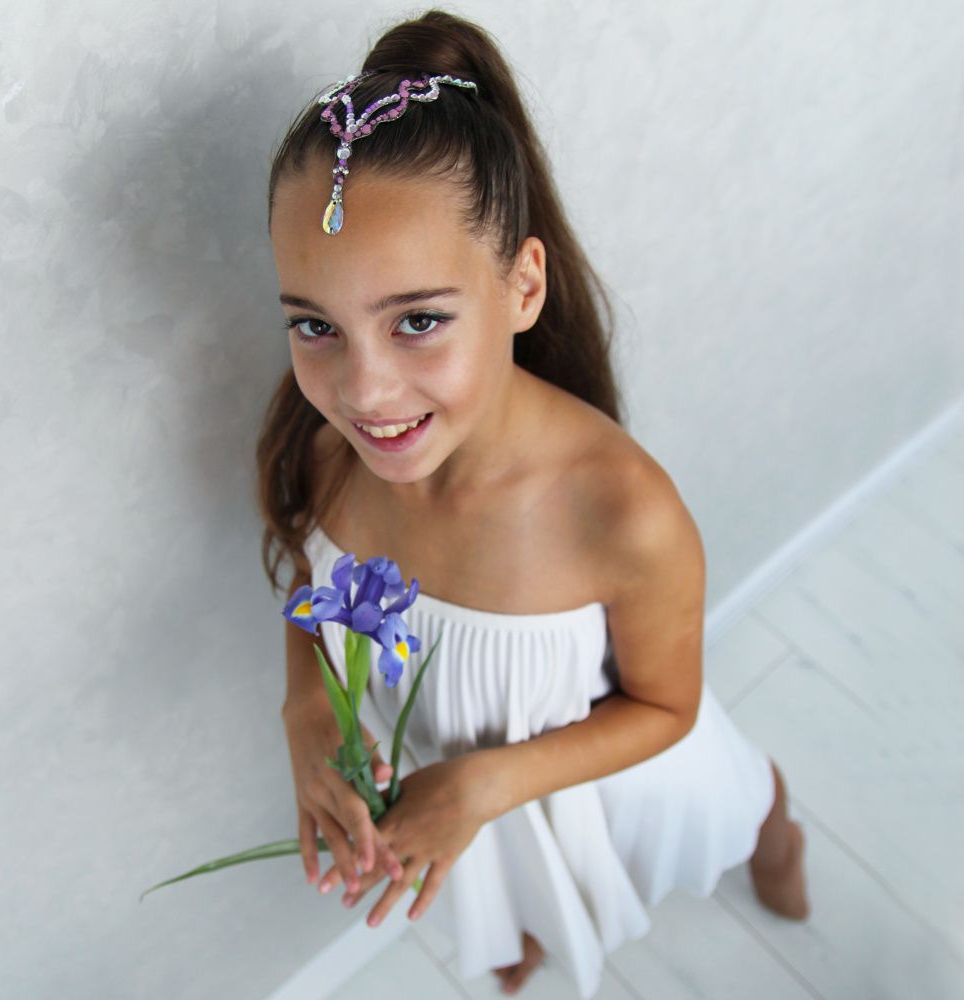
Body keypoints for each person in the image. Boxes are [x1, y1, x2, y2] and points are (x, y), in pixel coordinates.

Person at [258, 9, 809, 998]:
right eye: (316, 326)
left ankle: (778, 833)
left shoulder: (622, 513)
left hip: (604, 774)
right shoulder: (328, 447)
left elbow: (666, 706)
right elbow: (315, 578)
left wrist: (482, 783)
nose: (364, 393)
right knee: (519, 885)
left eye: (417, 320)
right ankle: (526, 922)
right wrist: (304, 705)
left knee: (728, 808)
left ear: (521, 286)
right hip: (461, 792)